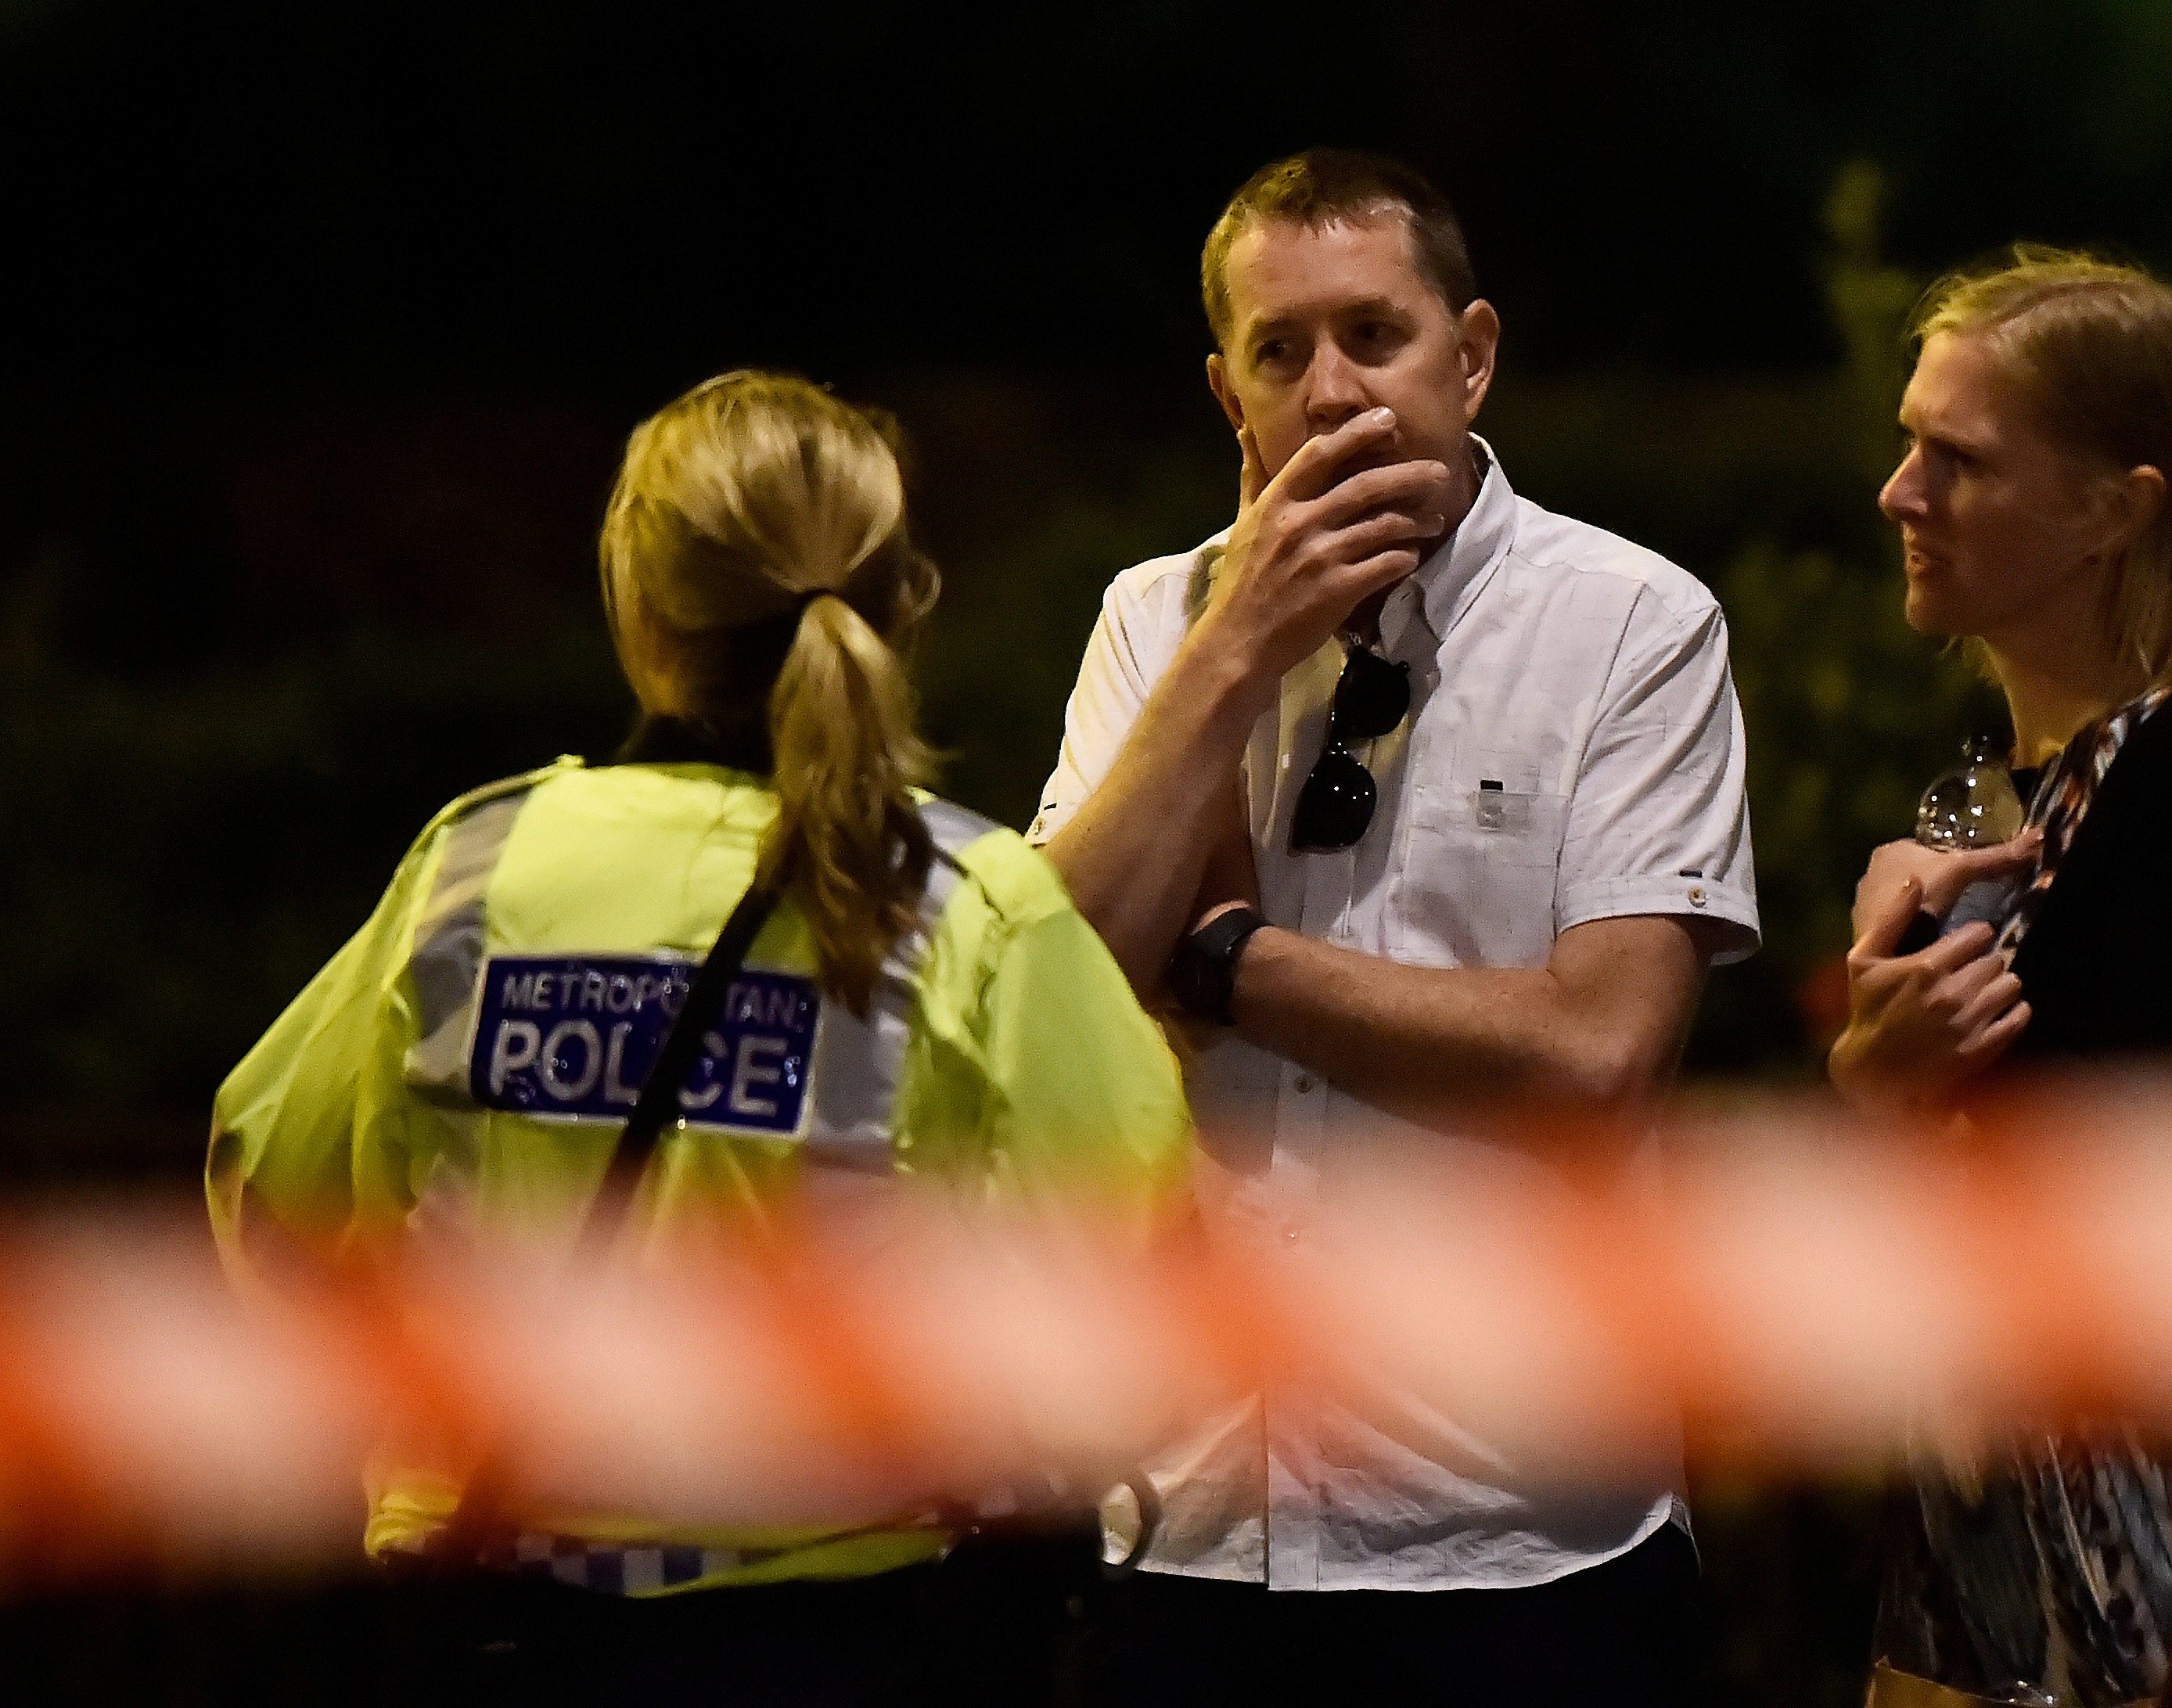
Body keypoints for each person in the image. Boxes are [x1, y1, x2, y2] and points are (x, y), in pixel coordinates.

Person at [207, 371, 1190, 1706]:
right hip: (863, 1647)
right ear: (905, 598)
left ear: (639, 608)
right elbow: (1150, 1278)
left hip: (501, 1632)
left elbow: (268, 1201)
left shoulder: (474, 871)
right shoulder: (971, 907)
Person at [1027, 149, 1758, 1703]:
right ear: (1227, 394)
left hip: (1518, 1536)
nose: (1331, 389)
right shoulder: (1153, 622)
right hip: (1187, 1515)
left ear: (1473, 354)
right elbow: (1054, 1003)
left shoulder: (1630, 622)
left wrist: (1220, 959)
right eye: (1280, 352)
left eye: (1377, 334)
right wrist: (1237, 653)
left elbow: (1594, 1052)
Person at [1829, 250, 2172, 1706]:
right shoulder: (2000, 801)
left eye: (1957, 459)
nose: (1901, 491)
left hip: (2163, 1586)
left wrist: (1889, 1080)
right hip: (1995, 1581)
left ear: (2115, 510)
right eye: (1909, 444)